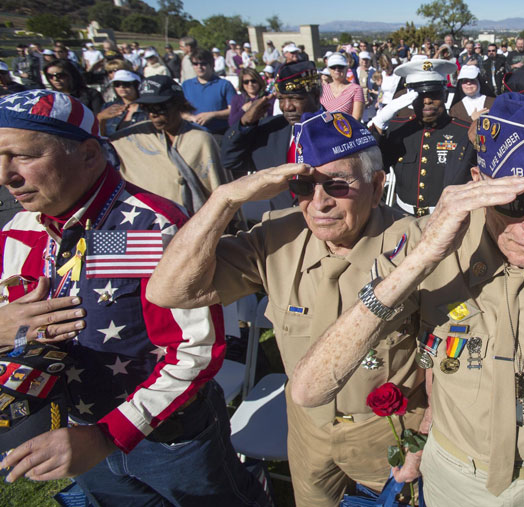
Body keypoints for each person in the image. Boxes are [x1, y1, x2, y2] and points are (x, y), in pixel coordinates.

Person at [290, 91, 524, 506]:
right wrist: (422, 258)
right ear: (480, 184)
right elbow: (309, 390)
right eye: (517, 201)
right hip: (454, 481)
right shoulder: (428, 244)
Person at [0, 89, 267, 506]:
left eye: (24, 156)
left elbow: (194, 348)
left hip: (167, 439)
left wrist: (109, 435)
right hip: (71, 433)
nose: (5, 175)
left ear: (89, 154)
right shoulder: (20, 228)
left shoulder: (145, 226)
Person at [147, 111, 428, 506]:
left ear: (377, 186)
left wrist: (420, 444)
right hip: (307, 430)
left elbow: (449, 359)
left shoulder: (417, 246)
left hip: (389, 433)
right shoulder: (278, 235)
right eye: (303, 185)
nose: (319, 203)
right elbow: (168, 291)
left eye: (337, 185)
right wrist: (224, 198)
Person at [371, 59, 475, 217]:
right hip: (402, 217)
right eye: (420, 95)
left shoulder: (464, 132)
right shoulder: (399, 129)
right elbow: (371, 166)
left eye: (433, 94)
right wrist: (378, 125)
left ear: (445, 94)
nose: (427, 100)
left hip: (447, 218)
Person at [111, 76, 228, 214]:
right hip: (151, 225)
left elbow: (219, 189)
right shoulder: (130, 139)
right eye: (147, 108)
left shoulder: (201, 140)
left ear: (178, 105)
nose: (153, 114)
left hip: (196, 222)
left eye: (160, 107)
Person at [221, 61, 320, 222]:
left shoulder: (337, 129)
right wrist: (245, 123)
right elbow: (231, 159)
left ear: (315, 96)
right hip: (282, 230)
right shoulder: (270, 130)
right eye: (281, 99)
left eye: (295, 98)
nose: (287, 107)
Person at [180, 48, 236, 136]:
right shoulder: (186, 85)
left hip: (219, 134)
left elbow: (234, 110)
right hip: (192, 133)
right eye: (195, 64)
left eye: (203, 64)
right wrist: (190, 117)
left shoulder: (224, 85)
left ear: (211, 64)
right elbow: (178, 110)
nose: (199, 67)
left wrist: (212, 115)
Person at [97, 69, 148, 137]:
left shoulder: (148, 108)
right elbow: (99, 136)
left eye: (126, 84)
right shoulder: (108, 107)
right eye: (117, 84)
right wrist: (100, 118)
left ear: (137, 85)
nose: (121, 87)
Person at [321, 53, 364, 120]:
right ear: (329, 69)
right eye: (333, 67)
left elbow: (356, 119)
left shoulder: (356, 89)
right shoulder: (322, 89)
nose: (337, 69)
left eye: (340, 66)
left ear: (346, 68)